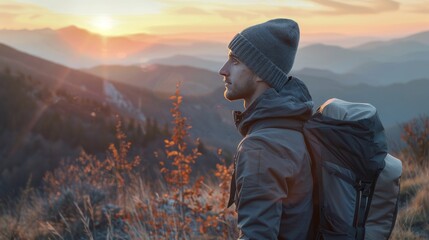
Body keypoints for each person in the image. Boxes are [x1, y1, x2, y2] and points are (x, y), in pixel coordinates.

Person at [218, 18, 314, 239]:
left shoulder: (261, 147)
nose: (223, 70)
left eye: (235, 61)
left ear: (261, 73)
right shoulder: (294, 122)